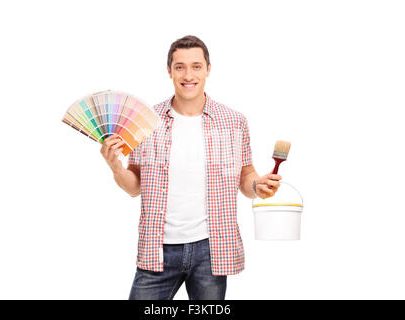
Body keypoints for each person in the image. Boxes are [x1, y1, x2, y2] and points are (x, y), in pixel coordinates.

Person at [100, 35, 282, 300]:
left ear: (208, 69)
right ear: (169, 71)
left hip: (211, 249)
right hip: (157, 248)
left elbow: (246, 176)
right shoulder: (145, 121)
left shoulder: (234, 122)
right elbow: (134, 186)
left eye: (196, 66)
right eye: (180, 66)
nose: (188, 74)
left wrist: (257, 185)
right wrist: (115, 166)